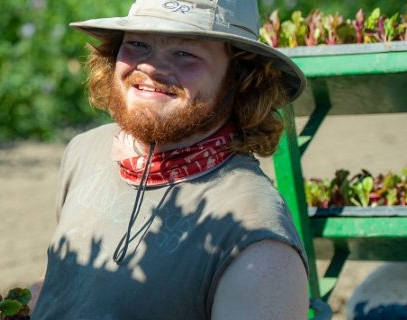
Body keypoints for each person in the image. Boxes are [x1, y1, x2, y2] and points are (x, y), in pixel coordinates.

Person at [32, 1, 309, 319]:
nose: (149, 67)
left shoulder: (258, 246)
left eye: (185, 53)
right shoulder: (86, 152)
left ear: (241, 77)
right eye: (137, 44)